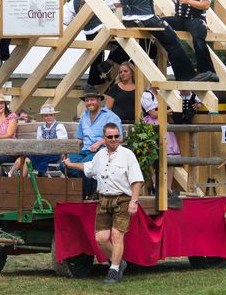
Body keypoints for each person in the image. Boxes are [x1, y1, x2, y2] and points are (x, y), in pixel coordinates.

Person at [109, 0, 213, 83]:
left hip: (128, 19)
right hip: (146, 18)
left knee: (195, 36)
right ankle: (186, 75)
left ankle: (206, 71)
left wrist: (133, 0)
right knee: (173, 41)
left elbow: (116, 3)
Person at [61, 122, 143, 284]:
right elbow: (88, 167)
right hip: (104, 200)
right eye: (110, 137)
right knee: (101, 238)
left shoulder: (128, 155)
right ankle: (118, 263)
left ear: (120, 137)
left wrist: (134, 200)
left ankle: (113, 271)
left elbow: (137, 180)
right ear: (104, 139)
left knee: (116, 235)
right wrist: (70, 165)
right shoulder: (99, 156)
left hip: (123, 199)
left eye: (116, 136)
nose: (114, 140)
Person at [162, 0, 217, 79]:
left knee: (198, 39)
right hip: (181, 19)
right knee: (160, 24)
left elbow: (206, 4)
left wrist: (188, 1)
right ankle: (165, 61)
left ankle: (208, 72)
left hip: (196, 19)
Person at [66, 87, 122, 199]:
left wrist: (100, 143)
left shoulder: (109, 116)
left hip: (102, 151)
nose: (89, 103)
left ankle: (84, 195)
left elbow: (119, 137)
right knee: (65, 165)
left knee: (84, 166)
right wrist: (68, 148)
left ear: (98, 100)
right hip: (84, 150)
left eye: (92, 100)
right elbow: (80, 138)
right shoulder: (84, 116)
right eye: (87, 100)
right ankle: (91, 188)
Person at [26, 105, 68, 176]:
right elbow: (39, 143)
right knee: (26, 158)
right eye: (46, 116)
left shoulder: (59, 126)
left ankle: (21, 179)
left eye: (51, 115)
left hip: (55, 153)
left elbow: (63, 143)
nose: (49, 118)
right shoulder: (41, 128)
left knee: (29, 158)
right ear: (42, 117)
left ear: (54, 115)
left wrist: (63, 153)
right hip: (43, 152)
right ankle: (13, 175)